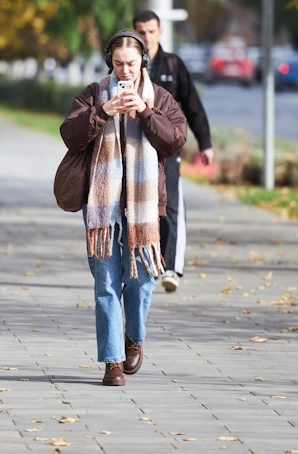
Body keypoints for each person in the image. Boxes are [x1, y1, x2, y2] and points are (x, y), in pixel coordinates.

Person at [60, 30, 186, 386]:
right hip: (102, 207)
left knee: (142, 280)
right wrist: (102, 112)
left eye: (131, 63)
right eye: (118, 63)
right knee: (106, 282)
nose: (125, 70)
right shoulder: (94, 94)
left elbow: (174, 140)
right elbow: (69, 135)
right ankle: (113, 360)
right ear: (109, 62)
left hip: (145, 207)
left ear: (143, 61)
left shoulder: (159, 97)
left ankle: (134, 337)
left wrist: (145, 112)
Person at [133, 10, 214, 293]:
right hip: (135, 147)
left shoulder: (173, 65)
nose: (146, 37)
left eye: (151, 31)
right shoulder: (127, 63)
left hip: (167, 147)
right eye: (140, 31)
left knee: (171, 206)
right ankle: (145, 264)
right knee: (139, 205)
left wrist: (205, 143)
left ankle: (171, 268)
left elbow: (193, 105)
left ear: (160, 32)